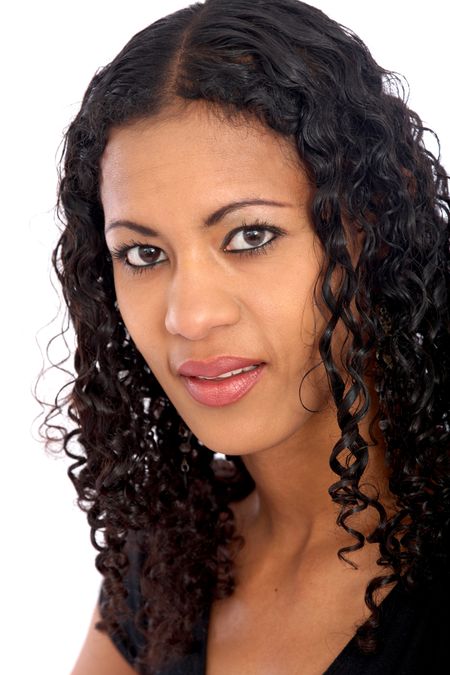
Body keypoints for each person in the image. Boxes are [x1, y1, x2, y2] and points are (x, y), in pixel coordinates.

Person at [40, 0, 450, 673]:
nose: (189, 316)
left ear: (373, 227)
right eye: (143, 254)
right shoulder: (171, 554)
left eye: (251, 236)